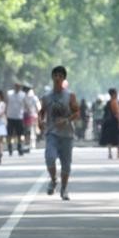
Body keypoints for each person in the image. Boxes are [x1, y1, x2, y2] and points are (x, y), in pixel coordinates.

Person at [39, 66, 79, 200]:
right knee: (50, 157)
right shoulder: (46, 97)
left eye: (60, 76)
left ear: (64, 78)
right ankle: (53, 179)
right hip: (52, 132)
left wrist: (67, 120)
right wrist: (40, 121)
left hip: (67, 135)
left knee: (66, 164)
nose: (57, 78)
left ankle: (64, 188)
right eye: (55, 75)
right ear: (52, 77)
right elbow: (42, 112)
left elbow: (77, 112)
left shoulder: (70, 96)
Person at [99, 88, 119, 159]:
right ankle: (118, 154)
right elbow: (117, 113)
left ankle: (110, 154)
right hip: (114, 122)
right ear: (114, 94)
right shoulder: (115, 102)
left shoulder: (108, 102)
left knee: (109, 138)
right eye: (116, 93)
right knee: (117, 138)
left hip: (108, 123)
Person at [5, 82, 27, 156]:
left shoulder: (23, 94)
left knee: (19, 134)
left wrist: (26, 111)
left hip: (19, 117)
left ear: (20, 87)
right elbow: (6, 103)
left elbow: (25, 104)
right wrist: (5, 113)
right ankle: (10, 147)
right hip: (10, 116)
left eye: (18, 86)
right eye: (16, 86)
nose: (17, 87)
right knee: (9, 134)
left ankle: (19, 147)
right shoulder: (9, 93)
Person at [23, 86, 41, 151]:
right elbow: (39, 107)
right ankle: (32, 144)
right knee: (32, 129)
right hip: (33, 115)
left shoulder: (24, 97)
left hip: (27, 115)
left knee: (28, 130)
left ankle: (28, 144)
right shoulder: (34, 97)